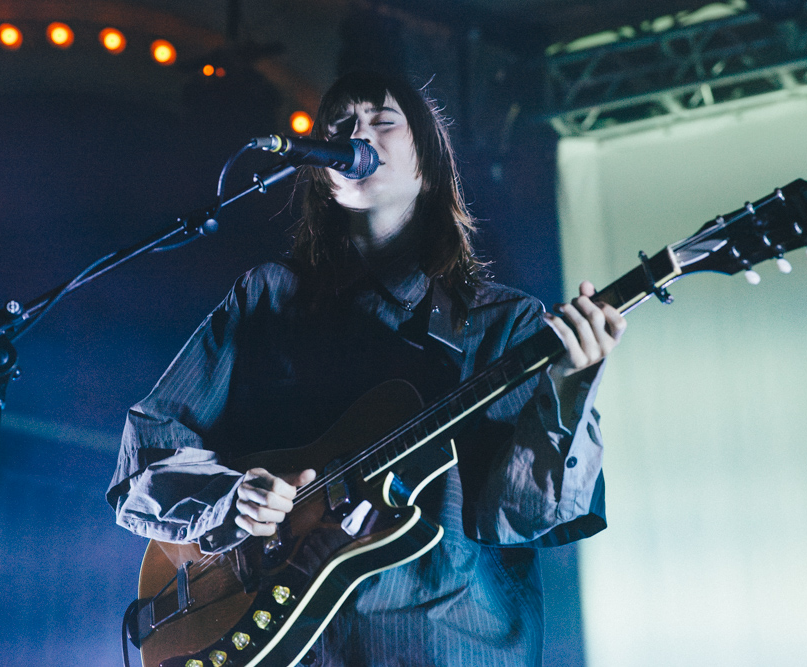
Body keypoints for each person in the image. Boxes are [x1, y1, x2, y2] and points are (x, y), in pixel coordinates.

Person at [107, 70, 626, 666]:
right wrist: (231, 500)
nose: (360, 135)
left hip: (441, 642)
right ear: (323, 170)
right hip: (283, 647)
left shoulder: (503, 323)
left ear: (427, 166)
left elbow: (522, 516)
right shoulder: (267, 297)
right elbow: (148, 452)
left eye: (384, 122)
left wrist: (568, 387)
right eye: (342, 126)